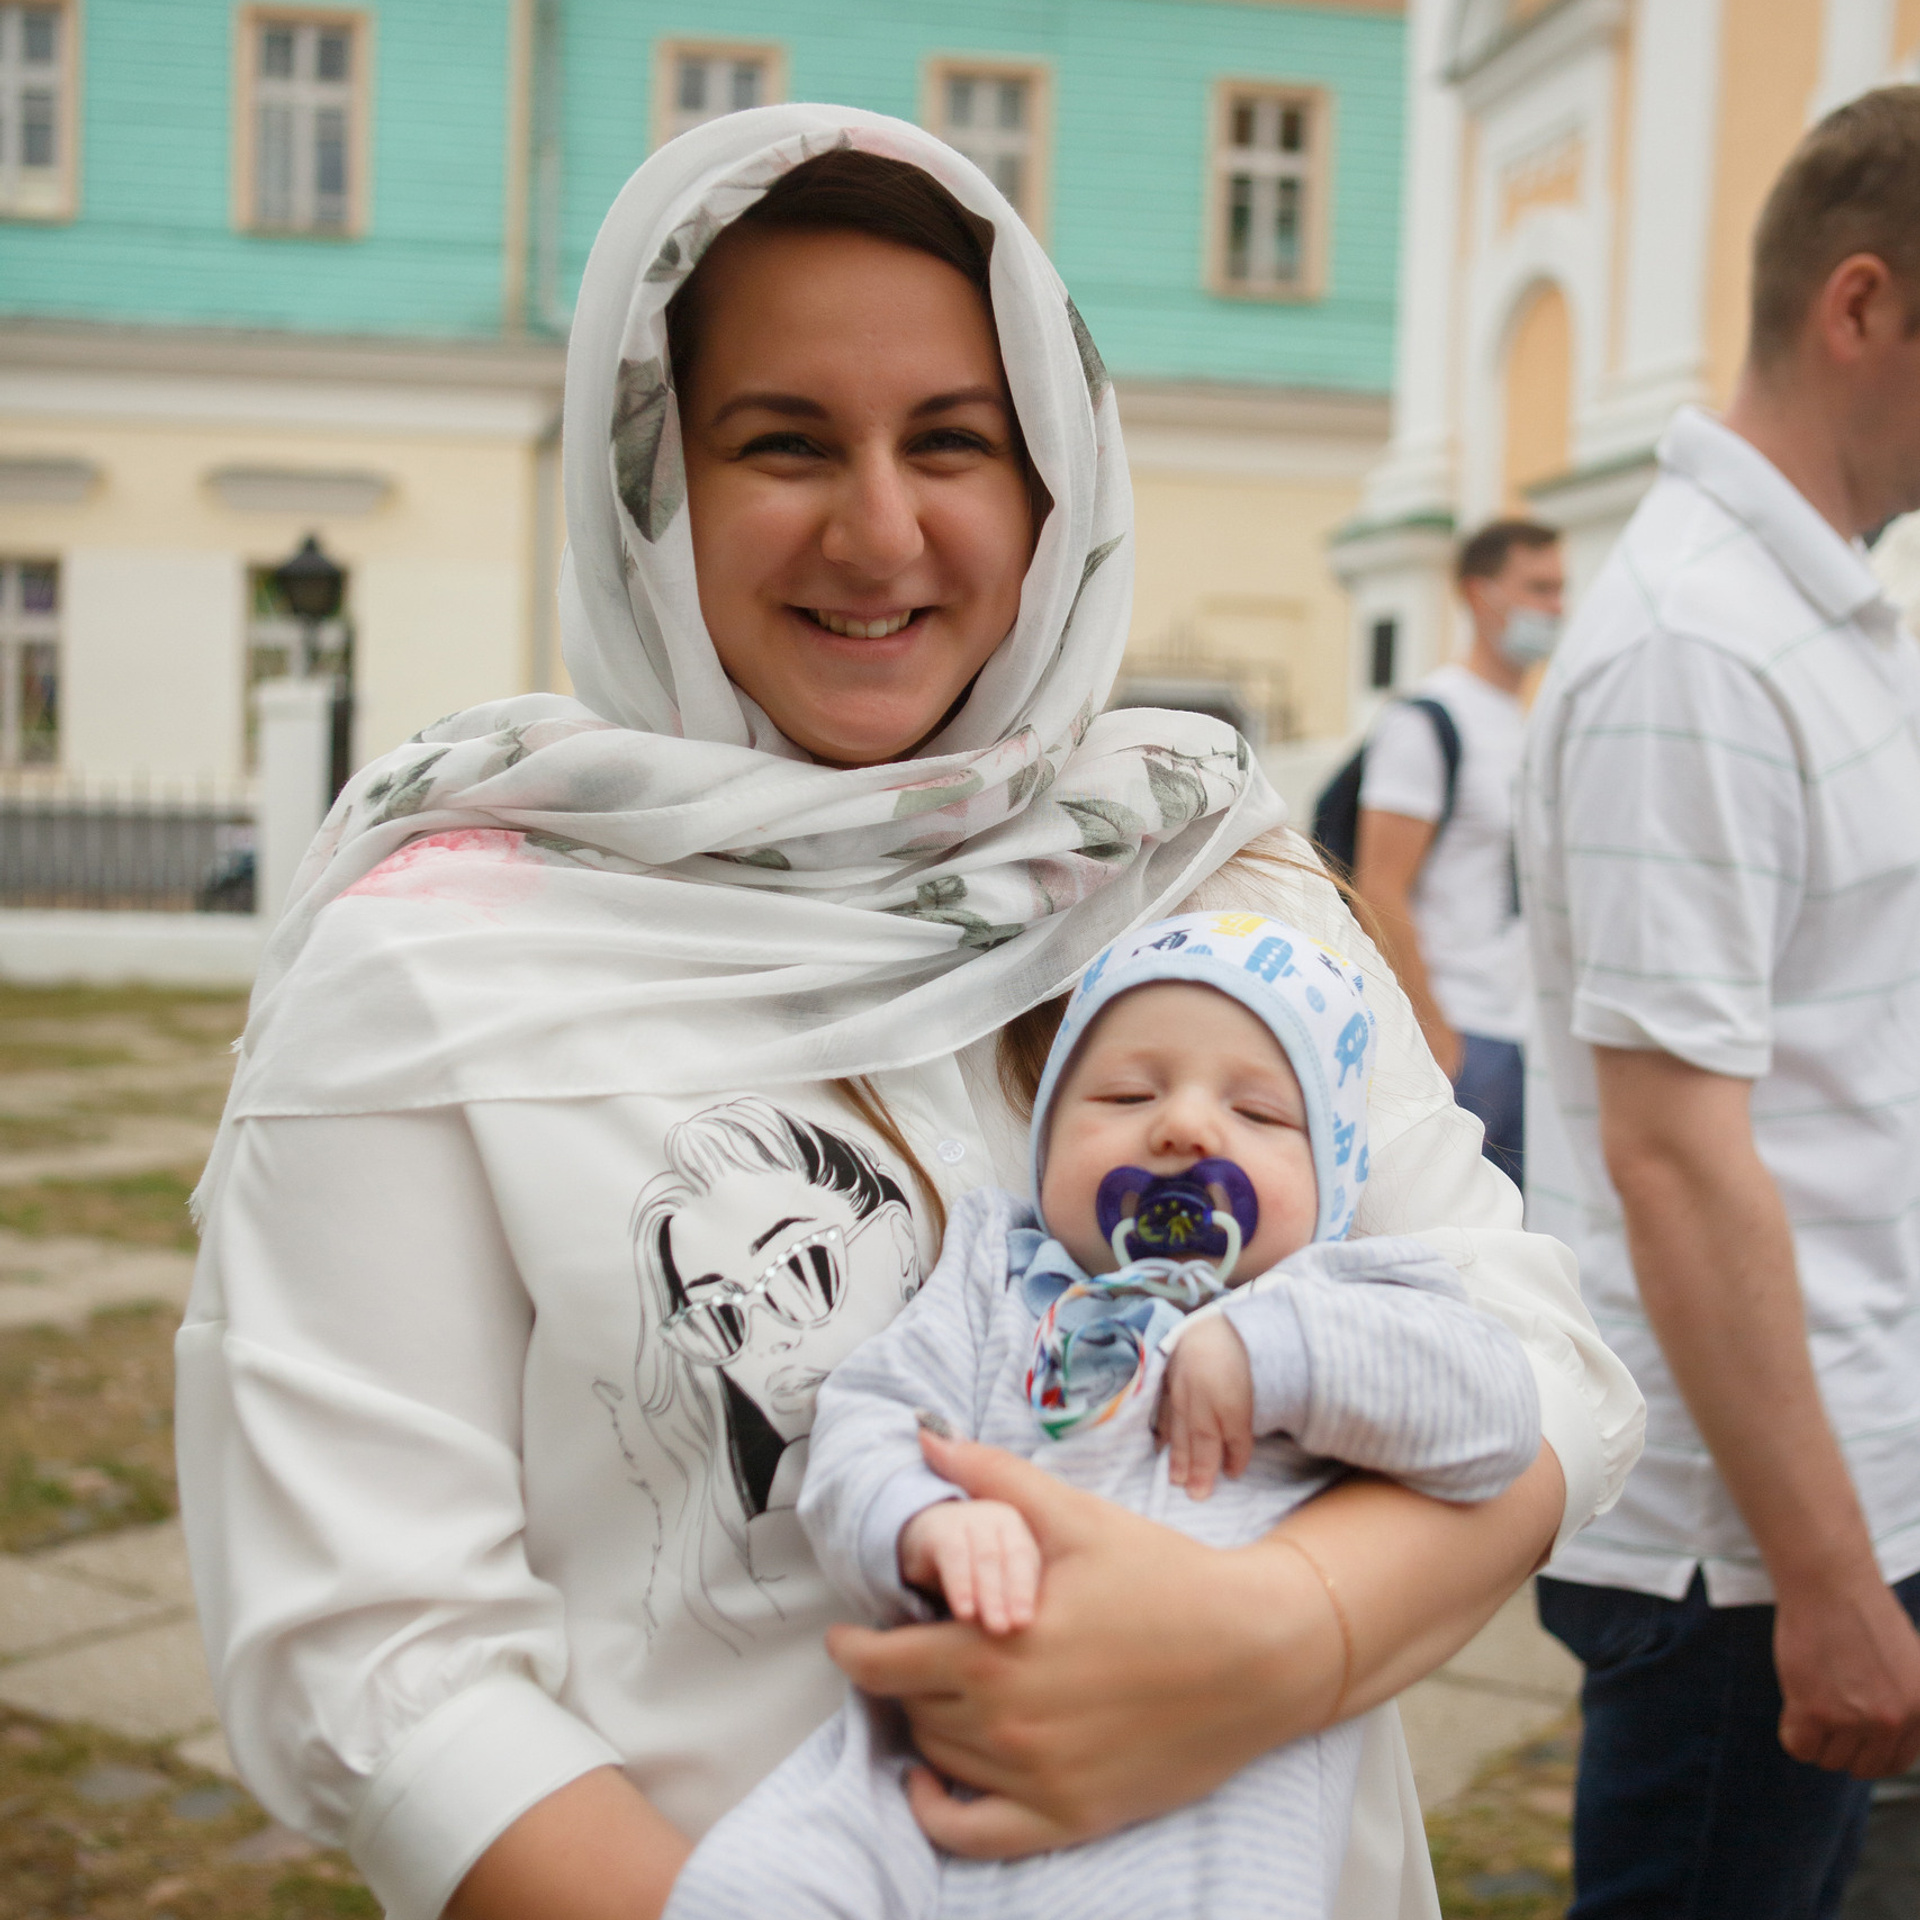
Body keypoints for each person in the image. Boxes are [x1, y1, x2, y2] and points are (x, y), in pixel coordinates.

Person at [176, 105, 1641, 1920]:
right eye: (784, 443)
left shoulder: (1201, 875)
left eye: (955, 442)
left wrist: (1277, 1642)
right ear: (652, 484)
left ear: (1054, 484)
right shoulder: (435, 964)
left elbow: (1545, 1360)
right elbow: (378, 1661)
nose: (881, 532)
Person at [666, 909, 1543, 1920]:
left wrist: (1275, 1351)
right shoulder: (993, 1280)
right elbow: (870, 1418)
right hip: (923, 1756)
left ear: (1333, 1181)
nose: (1184, 1127)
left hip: (1200, 1795)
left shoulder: (1349, 1295)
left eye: (1258, 1114)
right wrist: (917, 1520)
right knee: (743, 1884)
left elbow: (1494, 1413)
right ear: (1045, 1143)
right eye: (1126, 1094)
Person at [1518, 86, 1920, 1920]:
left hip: (1813, 1501)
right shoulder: (1697, 646)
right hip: (1734, 1557)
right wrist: (1825, 1580)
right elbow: (1676, 1159)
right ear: (1860, 306)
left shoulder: (1810, 616)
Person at [1353, 519, 1564, 1186]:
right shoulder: (1428, 721)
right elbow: (1379, 887)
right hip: (1460, 1032)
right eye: (1538, 587)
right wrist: (1434, 1032)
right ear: (1480, 594)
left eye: (1561, 589)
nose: (1555, 607)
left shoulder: (1526, 721)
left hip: (1525, 1031)